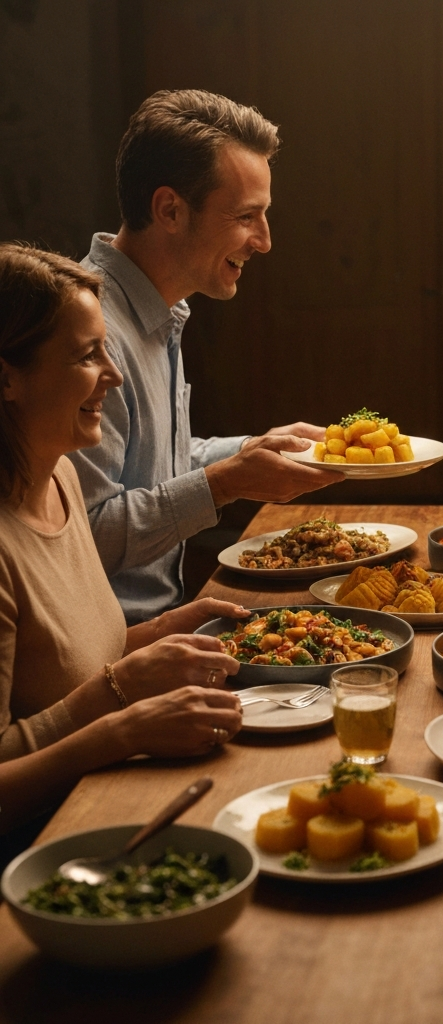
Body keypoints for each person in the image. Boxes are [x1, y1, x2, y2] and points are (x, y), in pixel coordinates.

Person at [0, 244, 247, 841]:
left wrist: (154, 636)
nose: (112, 374)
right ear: (7, 379)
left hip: (108, 792)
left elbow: (55, 671)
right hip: (45, 844)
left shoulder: (57, 473)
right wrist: (123, 715)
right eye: (88, 356)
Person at [68, 89, 338, 624]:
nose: (263, 241)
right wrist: (227, 482)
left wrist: (249, 451)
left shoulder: (158, 307)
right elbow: (80, 540)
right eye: (246, 216)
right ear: (170, 209)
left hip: (166, 618)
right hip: (112, 652)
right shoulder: (87, 329)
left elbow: (147, 467)